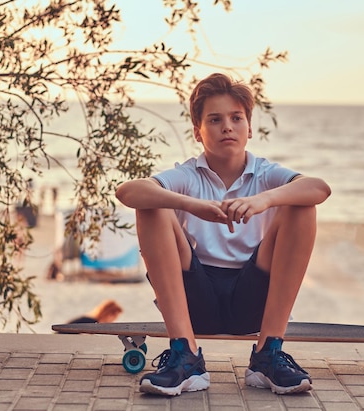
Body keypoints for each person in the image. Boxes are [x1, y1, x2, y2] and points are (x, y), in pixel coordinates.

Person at [115, 73, 331, 396]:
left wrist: (264, 200)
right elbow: (128, 191)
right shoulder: (188, 174)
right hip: (194, 301)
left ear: (250, 128)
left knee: (302, 205)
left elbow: (320, 188)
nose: (227, 127)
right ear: (198, 132)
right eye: (214, 120)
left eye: (236, 118)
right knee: (152, 204)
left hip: (253, 300)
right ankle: (185, 357)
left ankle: (267, 356)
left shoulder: (265, 174)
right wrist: (193, 206)